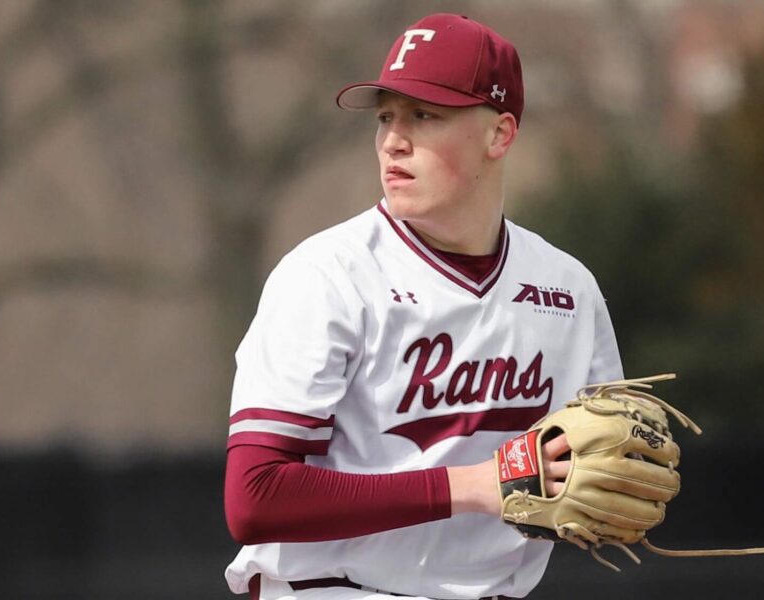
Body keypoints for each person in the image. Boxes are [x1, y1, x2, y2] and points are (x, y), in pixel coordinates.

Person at [223, 13, 624, 600]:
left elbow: (600, 471)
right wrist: (477, 485)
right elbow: (254, 498)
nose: (393, 139)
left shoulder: (567, 290)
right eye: (386, 116)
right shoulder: (328, 276)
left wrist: (603, 489)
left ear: (500, 134)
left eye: (425, 115)